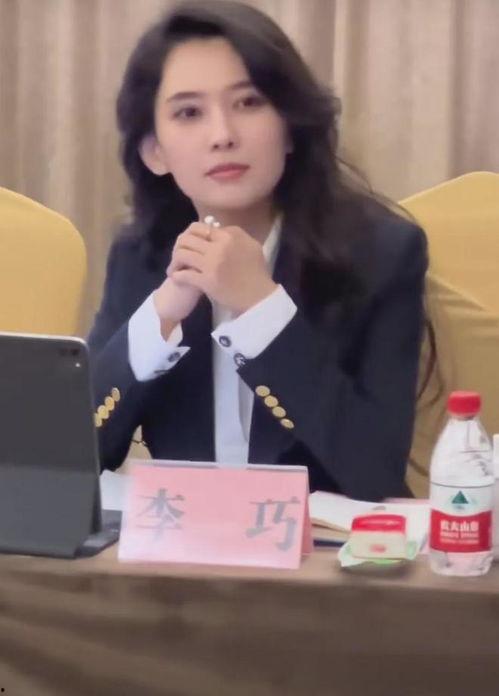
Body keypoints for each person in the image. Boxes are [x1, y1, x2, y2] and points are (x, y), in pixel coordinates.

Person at [88, 0, 428, 501]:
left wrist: (263, 311)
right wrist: (159, 318)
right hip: (182, 543)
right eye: (189, 113)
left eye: (249, 103)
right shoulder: (141, 256)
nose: (223, 136)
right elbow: (78, 458)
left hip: (324, 548)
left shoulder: (382, 255)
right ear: (154, 151)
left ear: (290, 127)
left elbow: (375, 474)